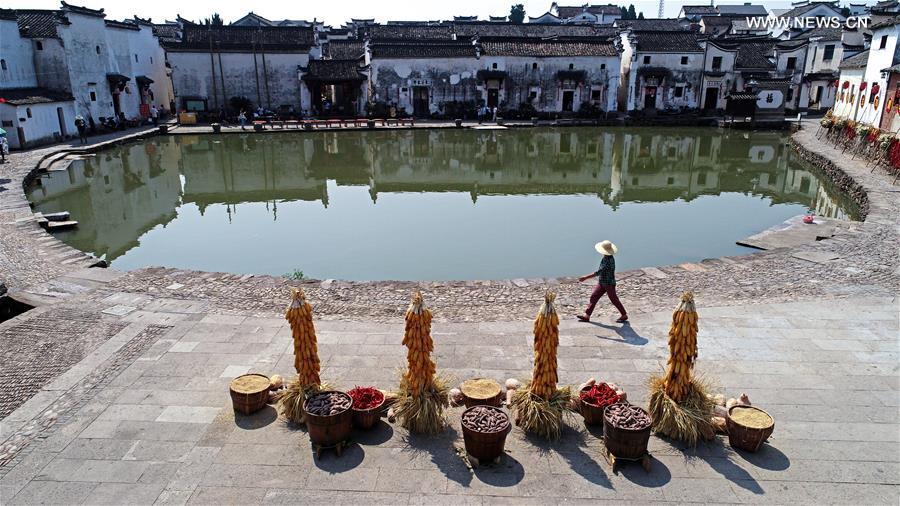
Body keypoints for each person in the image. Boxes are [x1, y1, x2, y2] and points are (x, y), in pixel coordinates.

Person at [576, 240, 628, 323]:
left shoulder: (608, 261)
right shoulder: (606, 257)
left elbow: (599, 272)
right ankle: (587, 316)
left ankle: (624, 315)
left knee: (614, 299)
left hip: (608, 284)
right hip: (602, 282)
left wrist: (585, 277)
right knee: (594, 296)